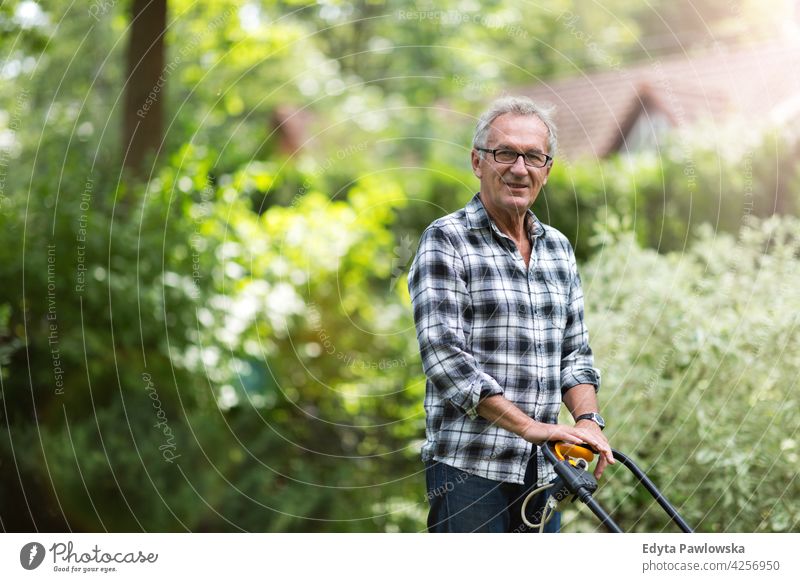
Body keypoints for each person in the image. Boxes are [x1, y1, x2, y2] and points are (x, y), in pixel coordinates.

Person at [408, 96, 614, 533]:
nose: (520, 168)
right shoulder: (446, 241)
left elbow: (574, 356)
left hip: (542, 475)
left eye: (534, 156)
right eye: (506, 153)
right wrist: (531, 428)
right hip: (467, 473)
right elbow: (447, 362)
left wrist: (586, 422)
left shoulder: (558, 249)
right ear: (478, 162)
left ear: (547, 169)